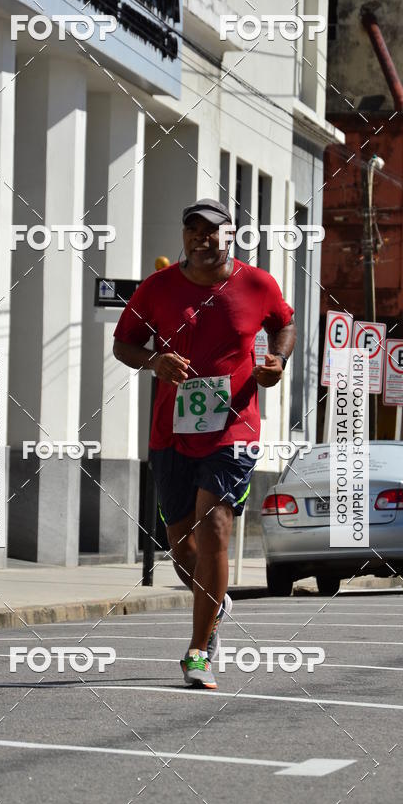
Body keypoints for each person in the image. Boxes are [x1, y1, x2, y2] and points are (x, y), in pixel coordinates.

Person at [113, 198, 296, 688]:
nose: (202, 238)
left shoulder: (257, 284)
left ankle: (199, 651)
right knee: (181, 546)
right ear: (185, 237)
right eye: (193, 230)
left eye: (212, 231)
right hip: (170, 431)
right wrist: (155, 363)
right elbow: (124, 344)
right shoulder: (158, 288)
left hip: (233, 427)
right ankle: (215, 600)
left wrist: (275, 362)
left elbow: (285, 324)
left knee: (215, 526)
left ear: (229, 236)